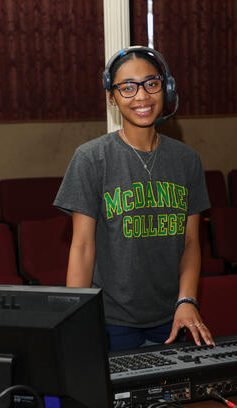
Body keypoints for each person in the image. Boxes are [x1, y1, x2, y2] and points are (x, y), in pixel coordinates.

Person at [53, 46, 214, 350]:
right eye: (127, 88)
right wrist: (76, 318)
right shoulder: (91, 158)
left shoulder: (187, 160)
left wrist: (187, 299)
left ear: (165, 90)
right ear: (112, 97)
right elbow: (83, 246)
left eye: (151, 84)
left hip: (173, 316)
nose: (141, 96)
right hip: (111, 319)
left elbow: (191, 242)